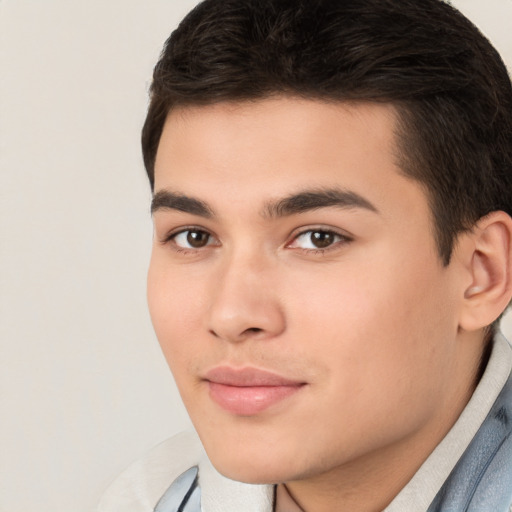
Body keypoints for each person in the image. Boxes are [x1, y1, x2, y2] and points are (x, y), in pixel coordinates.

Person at [98, 0, 512, 510]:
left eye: (318, 238)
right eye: (194, 237)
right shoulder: (147, 498)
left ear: (483, 273)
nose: (231, 315)